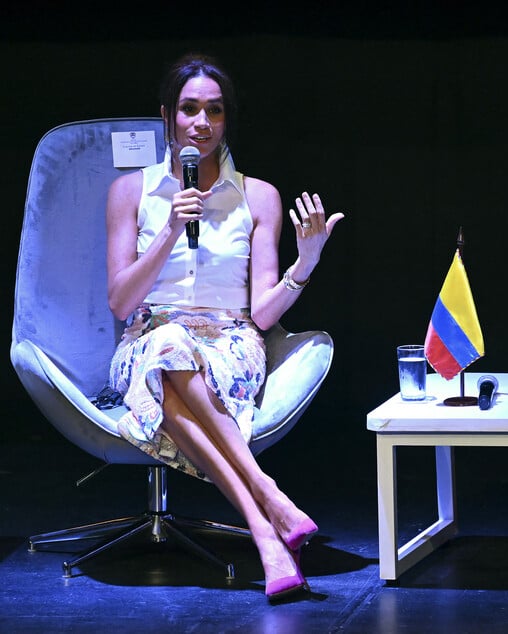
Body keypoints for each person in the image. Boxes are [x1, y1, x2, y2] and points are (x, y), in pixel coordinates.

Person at [105, 53, 344, 603]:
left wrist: (303, 265)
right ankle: (267, 509)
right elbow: (120, 303)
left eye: (214, 111)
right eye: (189, 109)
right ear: (167, 116)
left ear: (225, 120)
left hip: (231, 343)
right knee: (166, 349)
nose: (201, 123)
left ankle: (265, 529)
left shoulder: (257, 196)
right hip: (147, 336)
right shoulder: (129, 192)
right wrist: (170, 230)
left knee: (171, 373)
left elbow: (262, 314)